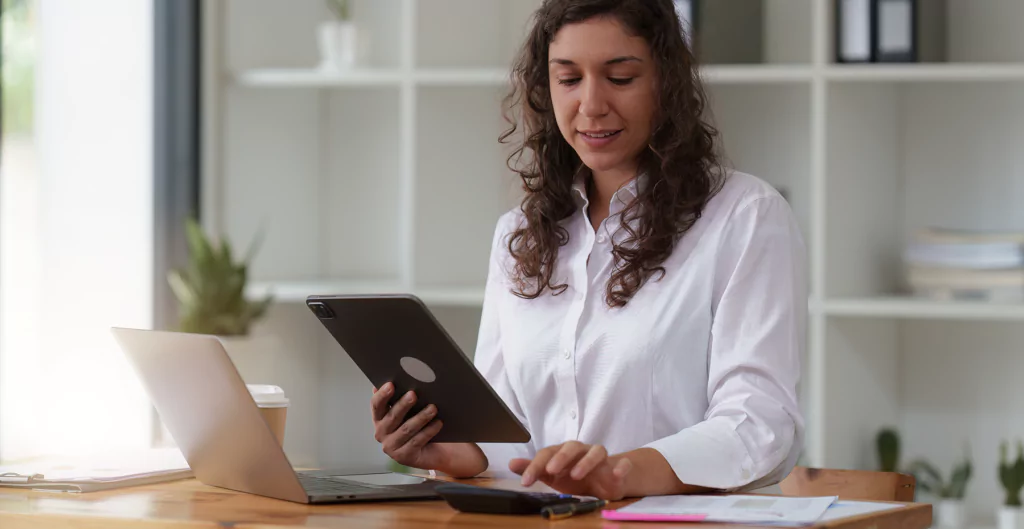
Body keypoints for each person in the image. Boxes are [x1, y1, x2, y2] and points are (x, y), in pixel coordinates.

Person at [369, 0, 806, 500]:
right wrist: (449, 452)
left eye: (620, 78)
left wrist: (622, 472)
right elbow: (506, 429)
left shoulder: (745, 216)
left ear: (667, 83)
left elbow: (759, 422)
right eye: (569, 79)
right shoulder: (519, 234)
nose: (592, 105)